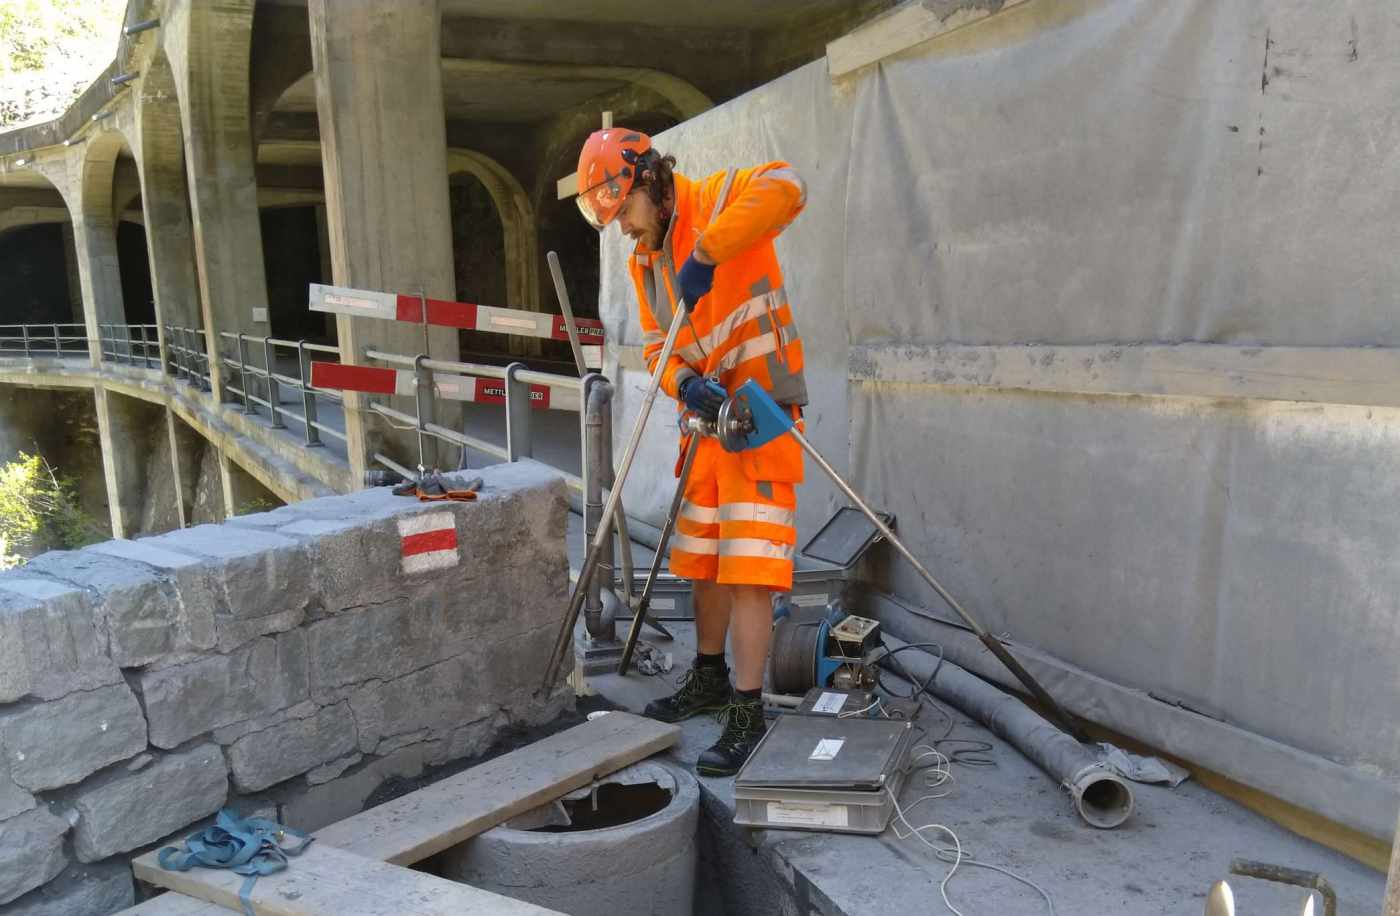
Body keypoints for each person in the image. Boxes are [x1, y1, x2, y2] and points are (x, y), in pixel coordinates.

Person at [575, 128, 809, 776]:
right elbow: (659, 345)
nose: (623, 228)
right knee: (703, 561)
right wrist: (685, 383)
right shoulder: (644, 262)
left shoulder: (717, 199)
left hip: (761, 417)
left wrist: (709, 250)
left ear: (647, 182)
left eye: (623, 212)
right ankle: (708, 676)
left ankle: (747, 709)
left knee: (750, 570)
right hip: (709, 423)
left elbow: (789, 186)